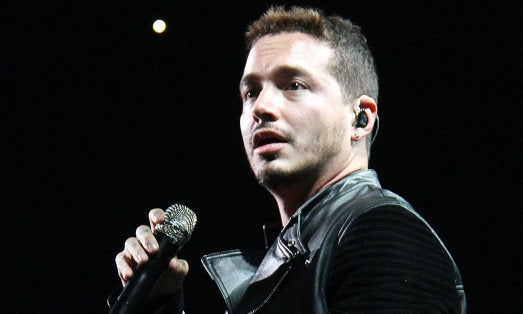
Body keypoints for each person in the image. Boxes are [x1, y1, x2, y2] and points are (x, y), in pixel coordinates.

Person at [112, 5, 466, 313]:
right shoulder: (297, 255)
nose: (260, 108)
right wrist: (155, 303)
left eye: (294, 85)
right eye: (250, 92)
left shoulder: (383, 236)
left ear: (360, 119)